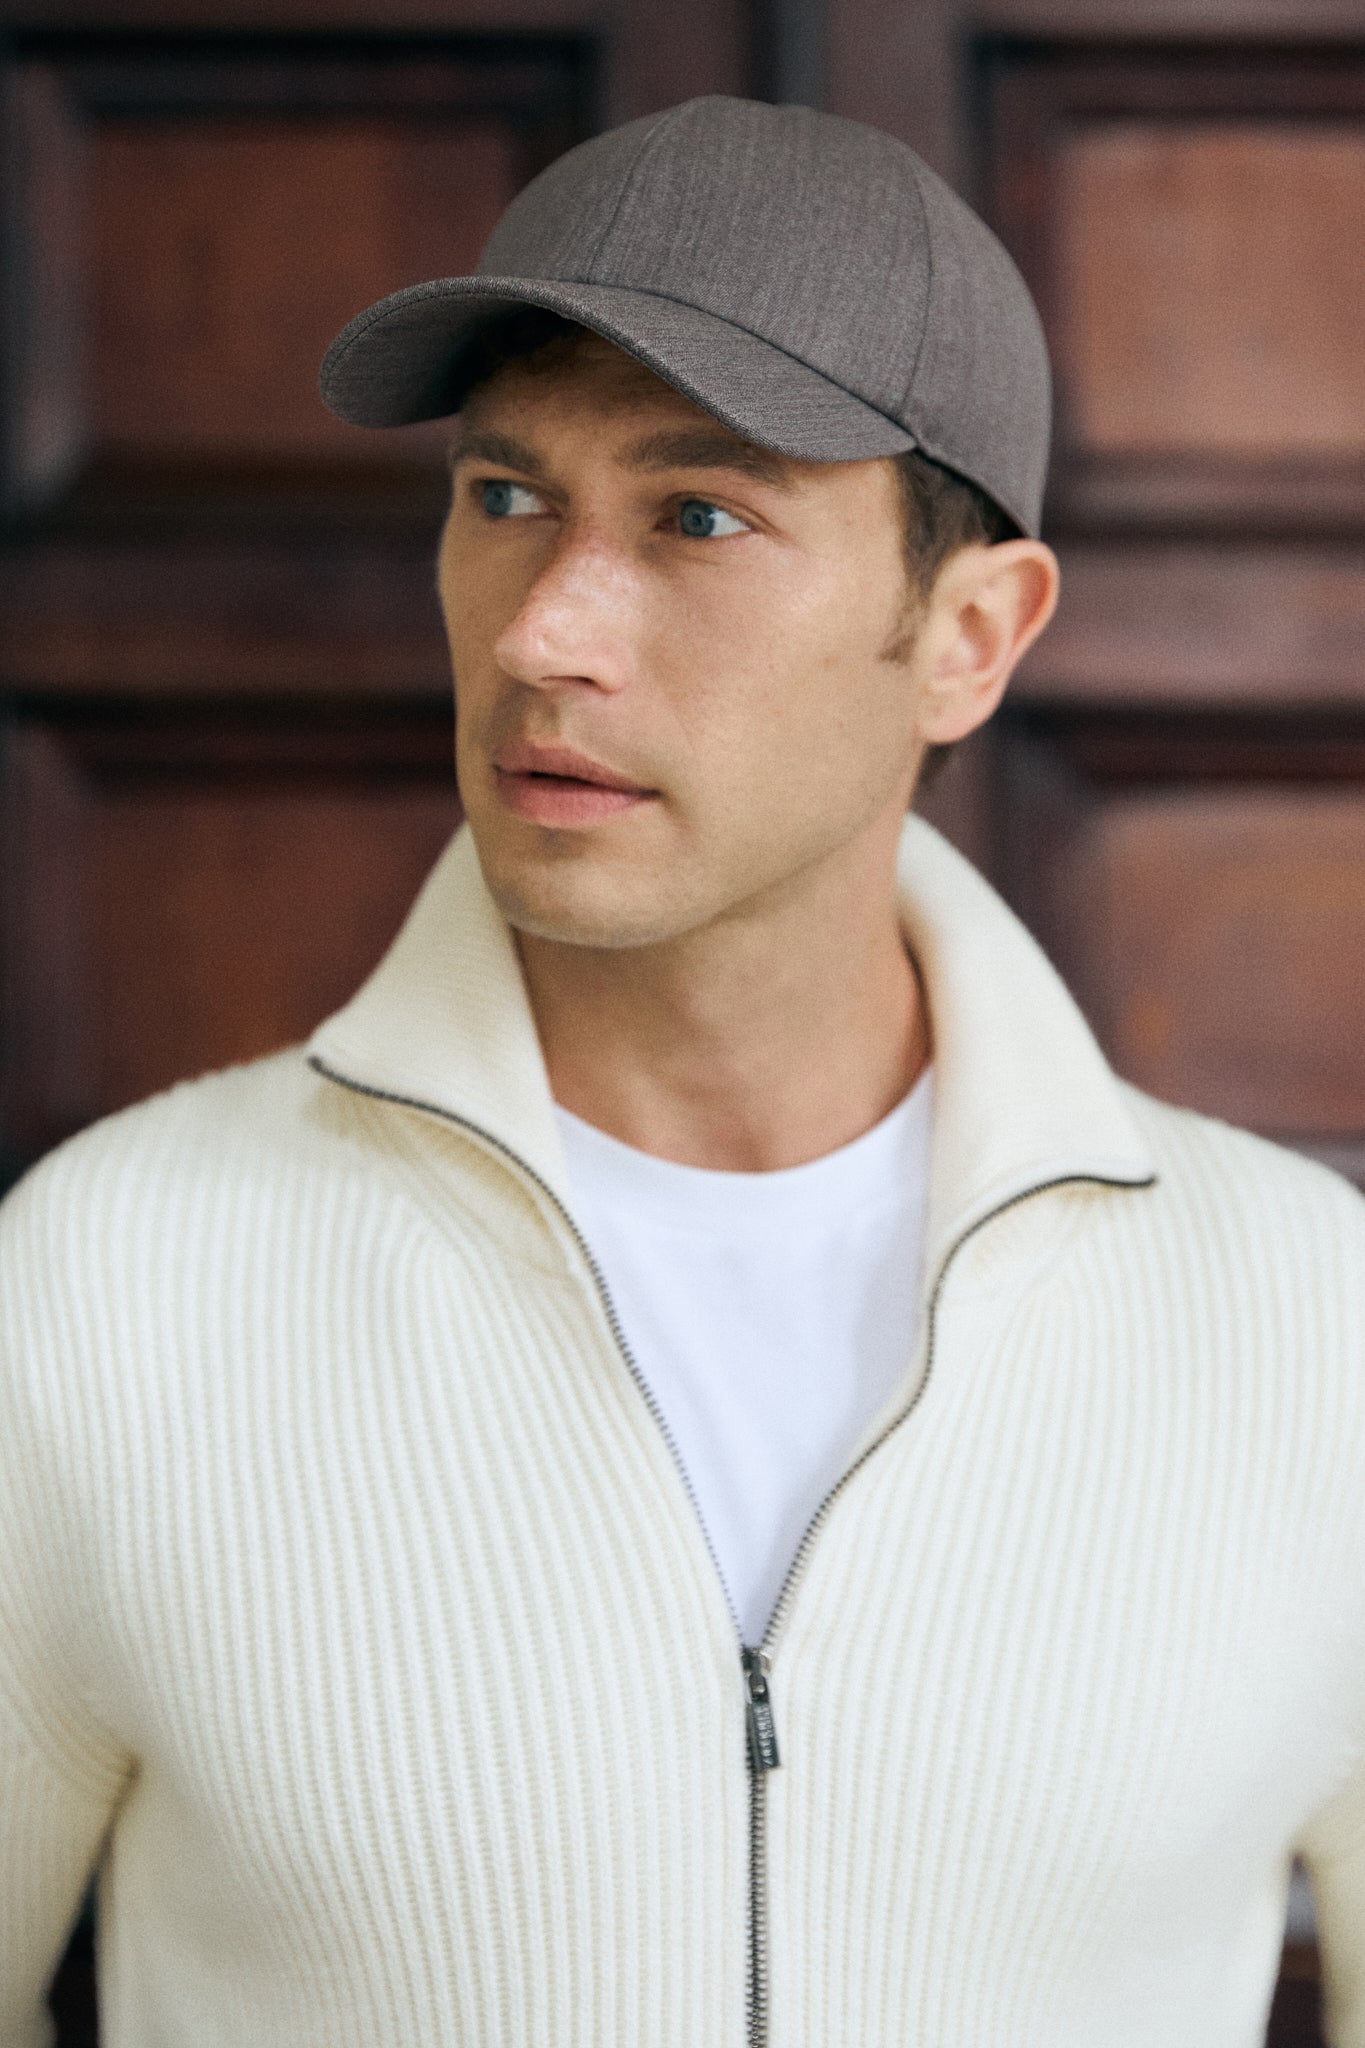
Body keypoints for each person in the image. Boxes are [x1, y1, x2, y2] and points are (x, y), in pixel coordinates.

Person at [1, 93, 1362, 2048]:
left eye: (696, 515)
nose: (544, 628)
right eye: (499, 497)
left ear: (968, 635)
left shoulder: (1307, 1322)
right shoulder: (102, 1282)